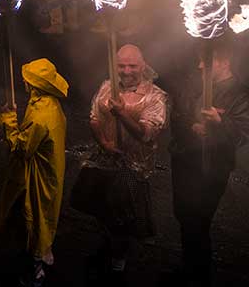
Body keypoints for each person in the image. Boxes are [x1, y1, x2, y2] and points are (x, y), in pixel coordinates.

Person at [77, 45, 168, 277]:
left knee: (125, 220)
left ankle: (119, 262)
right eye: (121, 66)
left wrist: (123, 114)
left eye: (132, 65)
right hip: (103, 163)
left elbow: (147, 133)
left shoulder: (155, 96)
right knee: (101, 211)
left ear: (143, 65)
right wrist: (104, 143)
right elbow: (94, 118)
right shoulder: (107, 87)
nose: (126, 71)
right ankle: (106, 248)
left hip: (132, 169)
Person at [170, 39, 249, 286]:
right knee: (183, 216)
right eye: (200, 59)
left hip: (212, 170)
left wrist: (219, 124)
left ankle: (198, 274)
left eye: (207, 60)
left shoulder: (239, 94)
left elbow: (242, 133)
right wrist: (190, 127)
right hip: (185, 161)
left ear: (224, 62)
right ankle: (189, 265)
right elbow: (178, 113)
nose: (200, 65)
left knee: (198, 221)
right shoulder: (196, 84)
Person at [0, 58, 68, 287]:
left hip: (39, 178)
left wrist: (8, 121)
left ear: (34, 85)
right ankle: (40, 255)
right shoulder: (50, 104)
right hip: (50, 172)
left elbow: (22, 148)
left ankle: (34, 271)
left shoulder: (40, 116)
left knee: (36, 219)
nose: (23, 82)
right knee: (44, 218)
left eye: (27, 80)